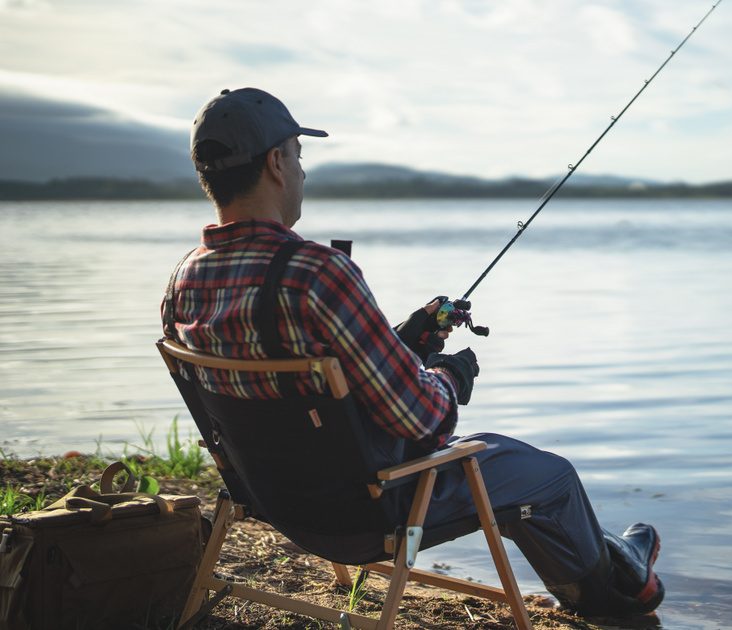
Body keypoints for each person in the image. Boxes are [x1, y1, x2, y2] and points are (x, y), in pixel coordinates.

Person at [161, 87, 663, 617]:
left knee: (516, 475)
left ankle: (620, 562)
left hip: (273, 503)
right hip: (366, 515)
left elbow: (299, 379)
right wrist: (450, 374)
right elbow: (424, 418)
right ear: (276, 163)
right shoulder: (316, 272)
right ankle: (615, 598)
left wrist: (402, 342)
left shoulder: (182, 282)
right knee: (547, 476)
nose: (303, 173)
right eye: (299, 157)